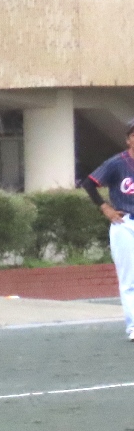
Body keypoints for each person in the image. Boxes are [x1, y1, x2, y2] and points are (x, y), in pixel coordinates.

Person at [81, 121, 134, 341]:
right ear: (128, 139)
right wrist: (105, 208)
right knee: (129, 280)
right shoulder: (117, 163)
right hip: (125, 224)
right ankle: (133, 326)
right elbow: (89, 183)